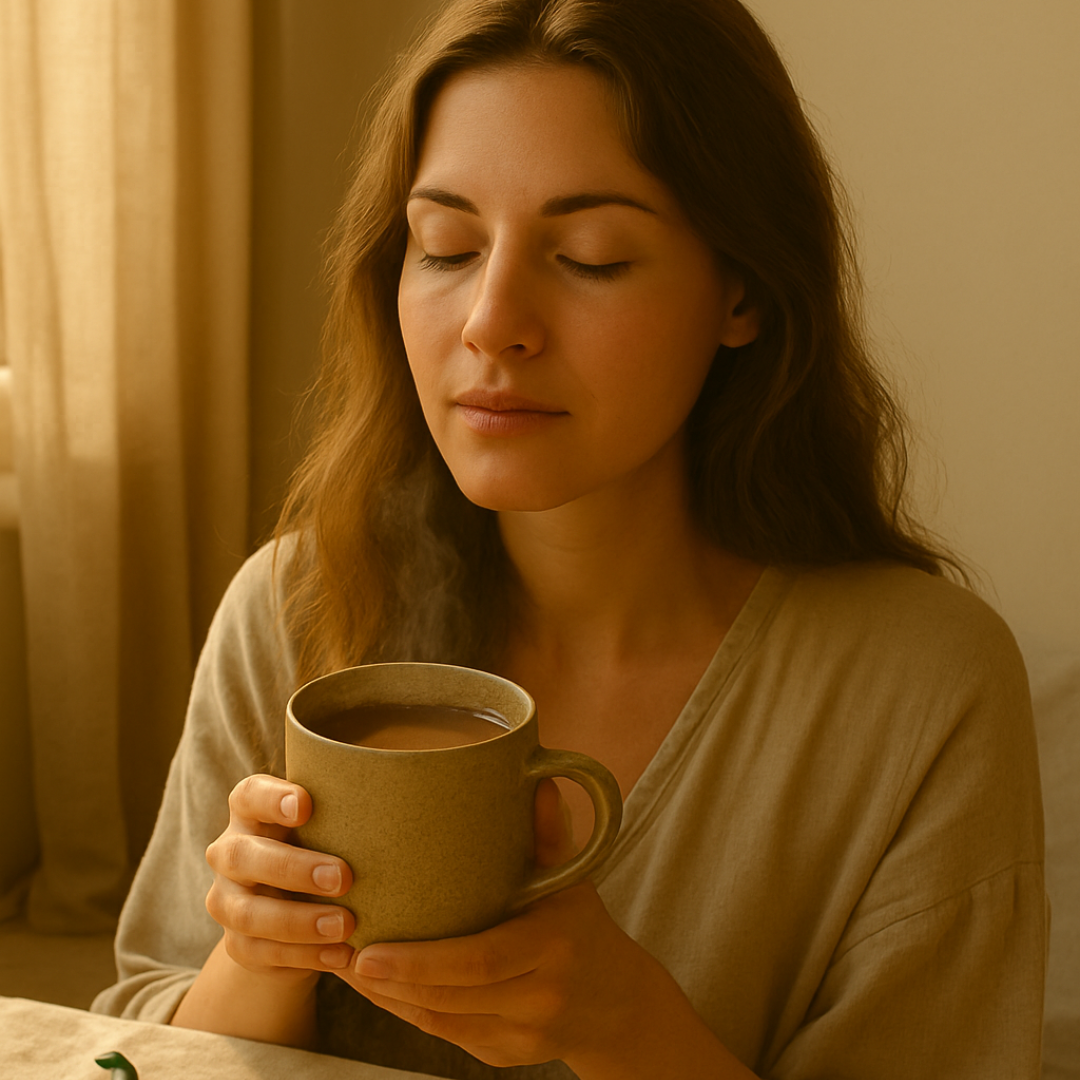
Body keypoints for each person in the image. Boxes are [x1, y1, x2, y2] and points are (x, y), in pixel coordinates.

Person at [91, 0, 1047, 1077]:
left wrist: (624, 1030)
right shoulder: (296, 604)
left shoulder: (922, 691)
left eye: (591, 256)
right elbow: (128, 1045)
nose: (492, 320)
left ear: (743, 288)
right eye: (445, 246)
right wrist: (262, 956)